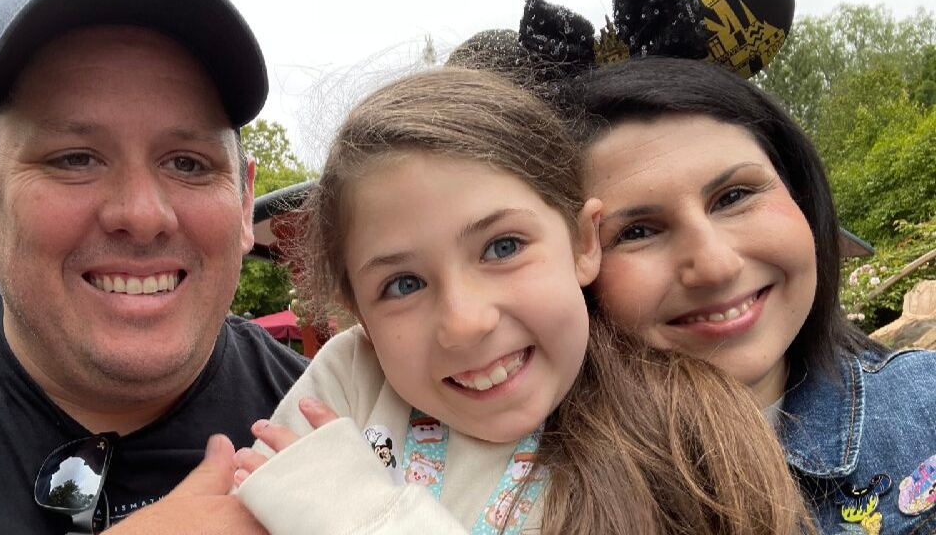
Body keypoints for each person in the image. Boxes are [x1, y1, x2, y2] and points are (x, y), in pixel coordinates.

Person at [228, 67, 813, 535]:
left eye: (502, 246)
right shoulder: (351, 381)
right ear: (357, 313)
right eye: (402, 285)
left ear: (584, 242)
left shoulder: (690, 439)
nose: (465, 323)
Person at [0, 0, 307, 533]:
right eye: (74, 159)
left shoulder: (325, 416)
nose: (142, 214)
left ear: (245, 202)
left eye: (188, 163)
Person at [575, 57, 936, 535]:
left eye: (733, 196)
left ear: (800, 196)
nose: (716, 266)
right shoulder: (537, 496)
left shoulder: (925, 407)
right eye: (638, 231)